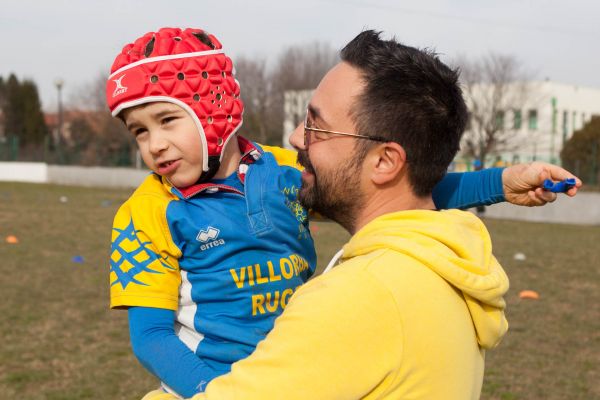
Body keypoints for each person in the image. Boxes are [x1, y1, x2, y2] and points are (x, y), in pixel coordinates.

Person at [140, 30, 580, 400]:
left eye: (315, 125)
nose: (295, 138)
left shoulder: (359, 300)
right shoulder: (440, 261)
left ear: (385, 162)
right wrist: (499, 182)